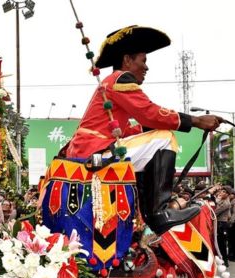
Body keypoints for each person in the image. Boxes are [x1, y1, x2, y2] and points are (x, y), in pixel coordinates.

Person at [64, 25, 222, 235]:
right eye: (143, 60)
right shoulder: (121, 78)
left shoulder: (111, 84)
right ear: (127, 60)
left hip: (92, 150)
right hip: (96, 152)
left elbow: (140, 124)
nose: (146, 67)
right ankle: (159, 213)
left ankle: (147, 214)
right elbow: (149, 113)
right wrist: (196, 121)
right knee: (165, 138)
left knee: (153, 139)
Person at [215, 186, 232, 267]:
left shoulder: (226, 203)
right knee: (218, 242)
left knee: (222, 243)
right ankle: (221, 259)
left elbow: (216, 212)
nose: (221, 193)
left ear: (228, 194)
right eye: (221, 191)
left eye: (224, 192)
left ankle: (225, 260)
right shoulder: (221, 200)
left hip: (222, 224)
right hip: (218, 223)